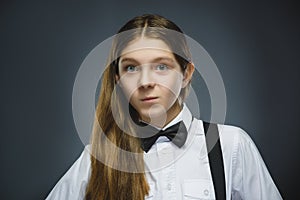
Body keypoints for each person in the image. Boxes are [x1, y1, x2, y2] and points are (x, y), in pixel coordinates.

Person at [46, 14, 282, 200]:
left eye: (161, 66)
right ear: (117, 78)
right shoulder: (96, 159)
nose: (146, 81)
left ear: (186, 73)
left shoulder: (232, 146)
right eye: (131, 68)